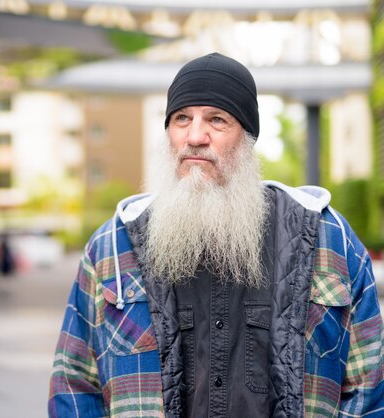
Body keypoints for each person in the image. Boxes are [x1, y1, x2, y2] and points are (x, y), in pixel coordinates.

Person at [48, 52, 384, 417]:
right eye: (181, 119)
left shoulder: (327, 237)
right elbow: (75, 381)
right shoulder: (111, 246)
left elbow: (369, 383)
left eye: (217, 119)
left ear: (247, 137)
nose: (195, 136)